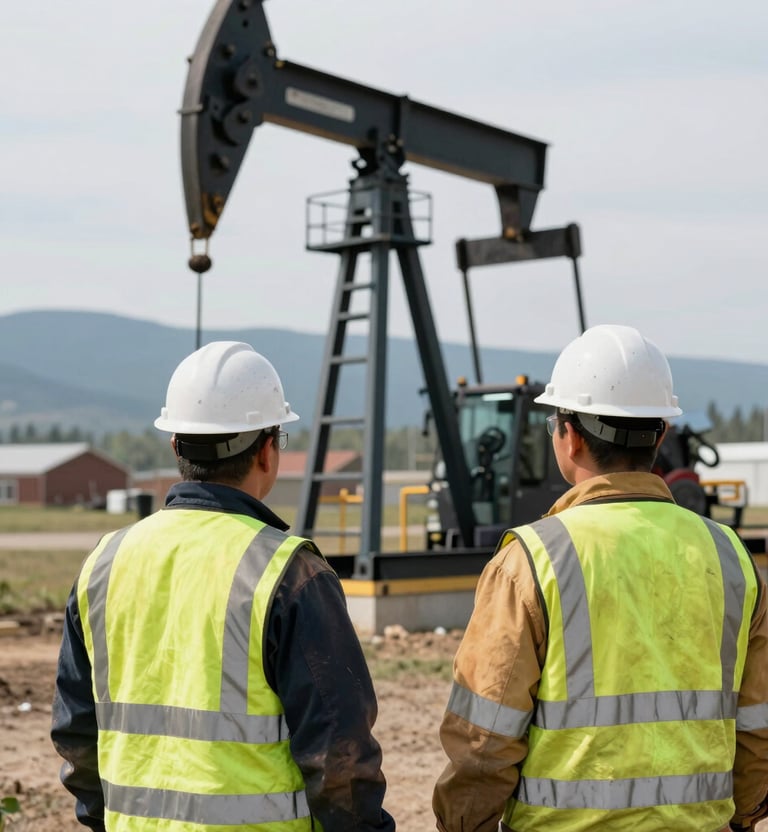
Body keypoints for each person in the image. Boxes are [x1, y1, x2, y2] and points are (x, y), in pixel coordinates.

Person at [432, 324, 768, 832]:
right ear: (661, 433)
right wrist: (740, 816)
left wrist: (464, 823)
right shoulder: (730, 558)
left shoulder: (532, 560)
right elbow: (758, 724)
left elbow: (484, 740)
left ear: (568, 435)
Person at [51, 340, 396, 832]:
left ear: (175, 446)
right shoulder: (288, 573)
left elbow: (76, 735)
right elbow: (341, 759)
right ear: (267, 449)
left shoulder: (104, 564)